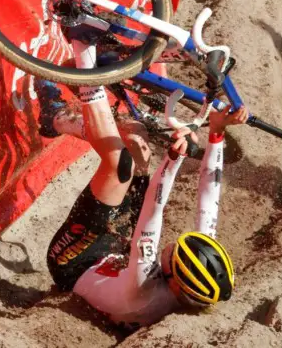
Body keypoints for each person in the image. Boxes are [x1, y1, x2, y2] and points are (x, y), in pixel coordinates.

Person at [40, 39, 248, 328]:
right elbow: (209, 199)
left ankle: (83, 52)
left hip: (74, 263)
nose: (174, 243)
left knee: (118, 165)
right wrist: (217, 132)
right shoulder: (188, 281)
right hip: (116, 254)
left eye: (174, 251)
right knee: (137, 141)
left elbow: (153, 213)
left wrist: (173, 160)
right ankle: (57, 119)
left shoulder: (143, 288)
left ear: (175, 284)